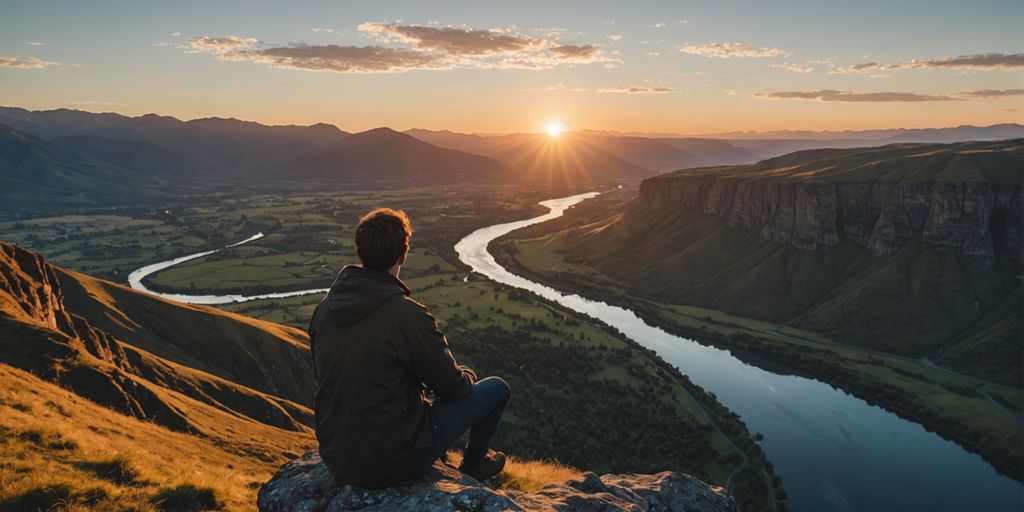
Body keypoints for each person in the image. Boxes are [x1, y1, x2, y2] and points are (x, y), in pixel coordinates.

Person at [308, 207, 510, 488]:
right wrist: (467, 375)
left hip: (336, 457)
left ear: (359, 250)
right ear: (403, 253)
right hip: (393, 461)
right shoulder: (408, 315)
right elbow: (453, 389)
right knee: (497, 389)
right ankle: (474, 463)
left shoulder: (323, 311)